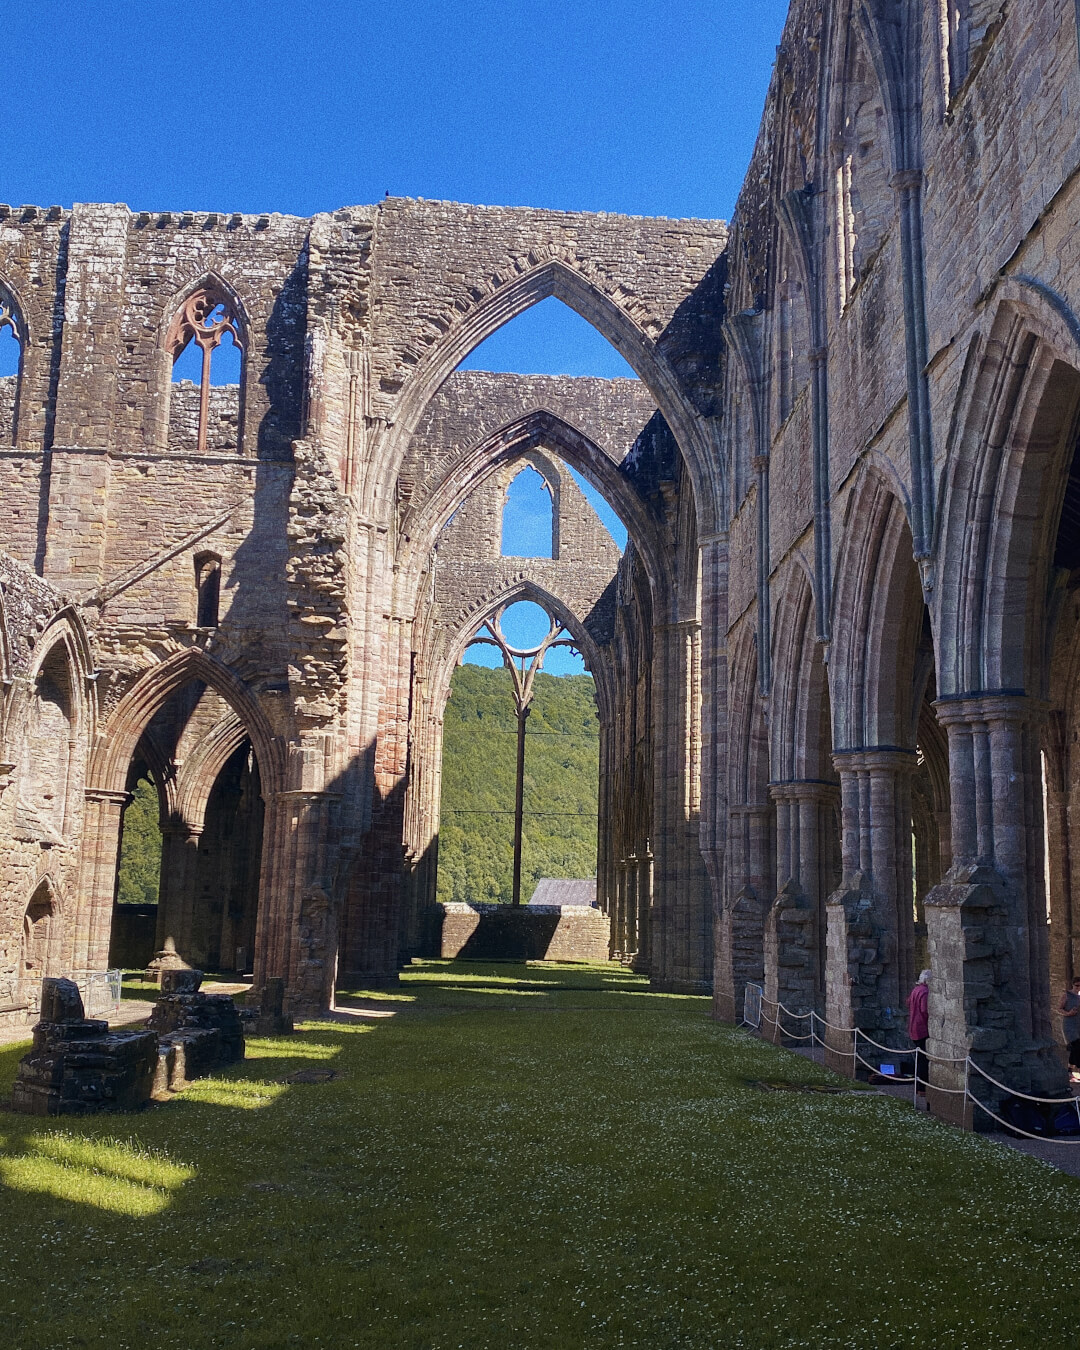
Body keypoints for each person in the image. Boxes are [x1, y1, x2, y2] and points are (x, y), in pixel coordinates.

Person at [907, 969, 931, 1093]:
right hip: (922, 1028)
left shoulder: (915, 990)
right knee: (923, 1059)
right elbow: (924, 1009)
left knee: (918, 1057)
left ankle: (918, 1086)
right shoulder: (925, 992)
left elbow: (908, 1002)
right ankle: (922, 1088)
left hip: (913, 1027)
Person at [1059, 977, 1080, 1081]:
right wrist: (1068, 1013)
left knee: (1075, 1049)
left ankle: (1069, 1072)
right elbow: (1059, 1009)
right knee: (1077, 1046)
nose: (1078, 988)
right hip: (1070, 1025)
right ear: (1073, 985)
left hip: (1079, 1024)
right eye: (1077, 985)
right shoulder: (1067, 995)